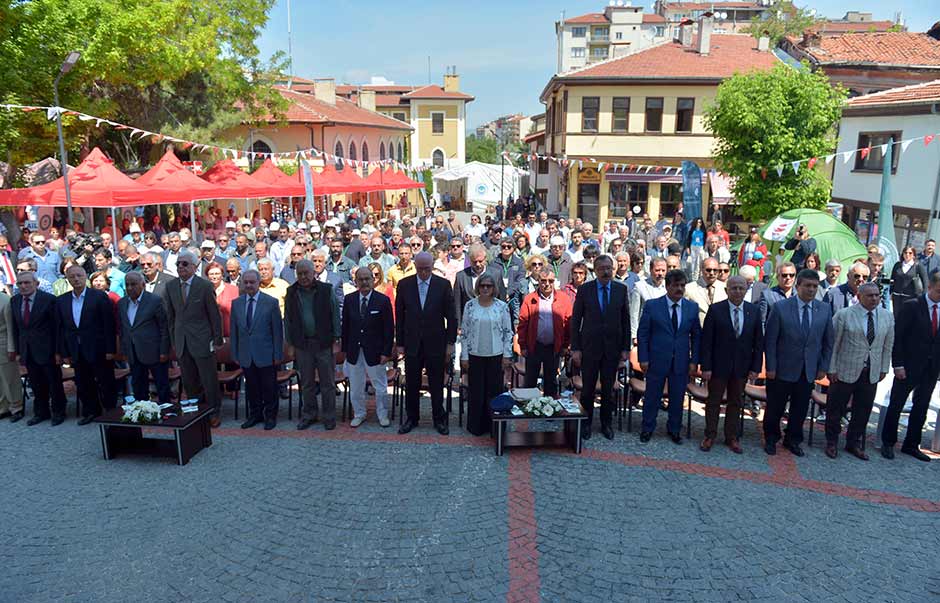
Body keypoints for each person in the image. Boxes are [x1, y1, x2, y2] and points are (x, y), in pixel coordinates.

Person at [763, 269, 833, 457]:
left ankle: (792, 440)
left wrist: (823, 367)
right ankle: (771, 438)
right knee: (775, 407)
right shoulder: (781, 307)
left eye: (815, 286)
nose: (811, 290)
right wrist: (771, 366)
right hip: (782, 369)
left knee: (800, 408)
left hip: (808, 369)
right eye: (807, 286)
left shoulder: (824, 309)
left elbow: (828, 341)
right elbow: (770, 340)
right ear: (798, 286)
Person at [825, 282, 893, 460]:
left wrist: (884, 368)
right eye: (870, 295)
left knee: (863, 410)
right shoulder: (844, 315)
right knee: (835, 409)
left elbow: (888, 345)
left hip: (870, 371)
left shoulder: (887, 317)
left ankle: (853, 442)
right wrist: (831, 368)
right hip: (844, 369)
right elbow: (833, 344)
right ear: (860, 296)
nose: (874, 299)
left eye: (877, 295)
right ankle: (831, 441)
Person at [395, 252, 457, 435]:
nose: (423, 272)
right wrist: (400, 343)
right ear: (415, 266)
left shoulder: (443, 285)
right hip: (412, 343)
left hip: (436, 342)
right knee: (412, 383)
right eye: (420, 269)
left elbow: (451, 318)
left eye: (427, 269)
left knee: (436, 384)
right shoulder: (405, 285)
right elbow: (400, 316)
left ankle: (439, 418)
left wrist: (450, 343)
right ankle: (412, 418)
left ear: (432, 266)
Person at [699, 275, 762, 453]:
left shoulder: (754, 311)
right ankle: (710, 435)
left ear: (746, 290)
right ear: (727, 290)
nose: (737, 291)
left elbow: (758, 342)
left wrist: (755, 368)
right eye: (734, 288)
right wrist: (706, 367)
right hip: (718, 366)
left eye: (741, 288)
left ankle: (731, 437)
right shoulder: (716, 310)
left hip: (741, 367)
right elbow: (707, 341)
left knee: (736, 402)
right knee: (714, 401)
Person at [881, 270, 940, 462]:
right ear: (929, 287)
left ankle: (911, 444)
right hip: (908, 366)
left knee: (921, 406)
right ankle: (888, 442)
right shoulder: (912, 306)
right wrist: (897, 364)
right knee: (897, 404)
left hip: (931, 369)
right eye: (939, 291)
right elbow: (898, 337)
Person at [570, 255, 631, 441]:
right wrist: (576, 348)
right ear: (595, 271)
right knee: (587, 389)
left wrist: (625, 348)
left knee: (608, 389)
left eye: (609, 268)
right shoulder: (585, 289)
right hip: (590, 347)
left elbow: (625, 321)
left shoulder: (621, 289)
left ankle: (606, 423)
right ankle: (586, 422)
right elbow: (576, 320)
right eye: (602, 268)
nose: (606, 272)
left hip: (612, 348)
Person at [637, 269, 700, 444]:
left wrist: (694, 360)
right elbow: (643, 334)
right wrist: (643, 357)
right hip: (656, 359)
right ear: (667, 286)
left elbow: (696, 336)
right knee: (652, 396)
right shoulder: (652, 305)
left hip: (681, 361)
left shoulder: (691, 308)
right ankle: (647, 428)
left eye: (682, 285)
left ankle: (674, 429)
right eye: (676, 285)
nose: (679, 289)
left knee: (677, 397)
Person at [163, 251, 224, 427]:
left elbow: (215, 315)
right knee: (189, 381)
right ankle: (195, 412)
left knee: (208, 379)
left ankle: (214, 411)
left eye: (184, 264)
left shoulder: (204, 286)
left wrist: (217, 339)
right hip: (182, 341)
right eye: (178, 264)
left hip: (203, 340)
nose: (180, 267)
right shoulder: (171, 286)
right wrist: (175, 341)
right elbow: (171, 317)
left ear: (194, 267)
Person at [56, 264, 116, 424]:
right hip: (76, 349)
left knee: (105, 381)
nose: (76, 279)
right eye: (72, 276)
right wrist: (65, 353)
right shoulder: (62, 301)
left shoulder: (98, 296)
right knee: (83, 383)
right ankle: (91, 412)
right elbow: (61, 329)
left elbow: (108, 324)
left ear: (85, 277)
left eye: (79, 276)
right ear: (67, 279)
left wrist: (111, 349)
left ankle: (111, 411)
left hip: (99, 348)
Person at [286, 259, 341, 431]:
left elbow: (335, 314)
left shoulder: (326, 290)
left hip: (323, 343)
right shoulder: (291, 291)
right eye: (300, 273)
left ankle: (329, 416)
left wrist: (337, 338)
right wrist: (290, 343)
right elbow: (288, 319)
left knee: (328, 383)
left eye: (306, 273)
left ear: (314, 273)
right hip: (303, 344)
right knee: (307, 383)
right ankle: (309, 414)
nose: (303, 277)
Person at [458, 274, 513, 436]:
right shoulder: (470, 306)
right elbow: (465, 333)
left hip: (496, 355)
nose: (485, 288)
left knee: (494, 392)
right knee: (476, 393)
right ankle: (476, 427)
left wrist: (507, 355)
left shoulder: (502, 307)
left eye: (489, 286)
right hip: (475, 355)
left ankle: (494, 427)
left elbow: (508, 332)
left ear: (494, 288)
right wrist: (464, 356)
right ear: (478, 287)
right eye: (482, 286)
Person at [230, 270, 283, 431]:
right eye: (245, 282)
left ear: (259, 282)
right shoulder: (236, 303)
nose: (248, 285)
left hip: (266, 353)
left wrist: (277, 354)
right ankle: (255, 415)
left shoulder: (271, 302)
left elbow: (277, 332)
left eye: (252, 282)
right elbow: (234, 331)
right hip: (246, 354)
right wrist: (235, 353)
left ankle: (270, 416)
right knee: (252, 387)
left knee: (269, 387)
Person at [341, 267, 394, 428]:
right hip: (354, 351)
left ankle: (382, 414)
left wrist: (386, 352)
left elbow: (388, 329)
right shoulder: (349, 300)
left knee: (380, 386)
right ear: (356, 281)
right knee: (356, 386)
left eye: (367, 279)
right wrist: (345, 350)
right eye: (361, 279)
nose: (364, 282)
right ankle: (359, 413)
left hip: (376, 352)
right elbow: (346, 327)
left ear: (373, 280)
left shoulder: (382, 300)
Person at [11, 272, 66, 425]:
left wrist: (57, 351)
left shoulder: (48, 300)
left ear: (36, 283)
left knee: (54, 383)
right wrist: (18, 351)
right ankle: (41, 412)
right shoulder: (15, 301)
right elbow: (16, 328)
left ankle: (58, 411)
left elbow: (57, 328)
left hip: (47, 349)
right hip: (27, 350)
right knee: (36, 383)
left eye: (27, 282)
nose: (23, 286)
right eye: (20, 283)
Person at [117, 272, 171, 405]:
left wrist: (164, 351)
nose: (130, 288)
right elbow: (123, 329)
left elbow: (164, 328)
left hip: (154, 351)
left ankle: (166, 412)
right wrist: (125, 351)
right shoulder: (122, 303)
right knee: (138, 386)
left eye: (133, 284)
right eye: (127, 284)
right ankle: (143, 411)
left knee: (161, 385)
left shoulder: (155, 301)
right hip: (133, 353)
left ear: (143, 284)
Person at [517, 268, 571, 397]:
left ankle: (550, 412)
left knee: (551, 381)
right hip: (534, 346)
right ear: (538, 282)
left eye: (550, 281)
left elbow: (569, 324)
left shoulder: (563, 299)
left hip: (553, 347)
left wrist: (565, 346)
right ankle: (529, 411)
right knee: (530, 380)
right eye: (543, 281)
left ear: (554, 282)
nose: (547, 284)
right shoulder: (530, 299)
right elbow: (522, 324)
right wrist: (523, 346)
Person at [454, 244, 506, 325]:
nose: (477, 264)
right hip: (469, 323)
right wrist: (458, 325)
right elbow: (457, 303)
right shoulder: (461, 276)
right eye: (474, 262)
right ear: (469, 260)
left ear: (485, 259)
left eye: (480, 261)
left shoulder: (496, 274)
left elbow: (502, 299)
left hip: (492, 321)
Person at [630, 257, 668, 341]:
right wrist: (634, 336)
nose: (660, 273)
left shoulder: (669, 287)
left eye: (663, 270)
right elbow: (634, 313)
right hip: (646, 333)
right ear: (650, 270)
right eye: (657, 270)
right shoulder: (639, 287)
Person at [0, 291, 23, 421]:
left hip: (3, 343)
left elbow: (10, 327)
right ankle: (3, 407)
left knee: (10, 378)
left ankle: (16, 407)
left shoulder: (4, 300)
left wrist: (11, 348)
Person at [683, 257, 727, 326]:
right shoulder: (689, 289)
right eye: (708, 270)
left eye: (715, 270)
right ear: (701, 270)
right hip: (699, 332)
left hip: (720, 332)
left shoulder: (725, 288)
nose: (712, 273)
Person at [889, 245, 928, 319]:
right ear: (903, 254)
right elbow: (892, 279)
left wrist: (923, 296)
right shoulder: (897, 265)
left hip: (911, 297)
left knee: (907, 318)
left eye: (910, 253)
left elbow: (925, 281)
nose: (907, 255)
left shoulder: (918, 265)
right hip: (897, 296)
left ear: (913, 255)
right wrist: (890, 292)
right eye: (905, 253)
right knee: (896, 317)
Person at [759, 262, 796, 327]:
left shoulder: (800, 294)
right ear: (777, 277)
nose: (788, 278)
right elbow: (762, 321)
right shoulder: (767, 295)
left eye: (791, 275)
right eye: (784, 275)